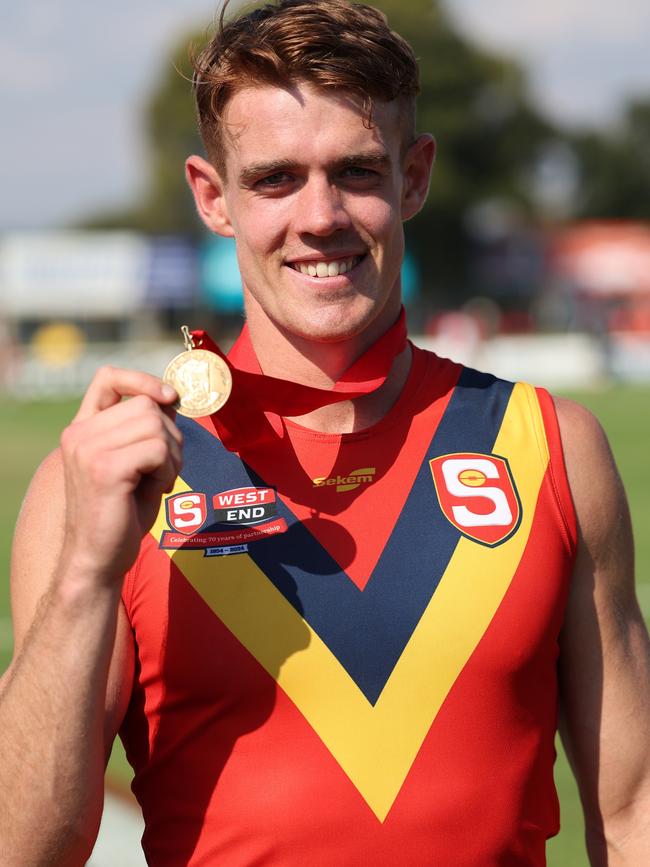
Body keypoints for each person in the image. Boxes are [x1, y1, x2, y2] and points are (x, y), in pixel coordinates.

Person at [2, 1, 650, 864]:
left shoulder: (550, 446)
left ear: (413, 176)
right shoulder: (112, 480)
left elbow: (633, 808)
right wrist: (86, 573)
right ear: (213, 196)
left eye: (356, 172)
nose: (321, 217)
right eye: (274, 178)